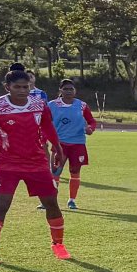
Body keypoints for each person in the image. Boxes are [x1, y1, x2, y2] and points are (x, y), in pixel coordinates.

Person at [0, 67, 68, 265]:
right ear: (7, 87)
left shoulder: (39, 104)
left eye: (25, 87)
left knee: (51, 203)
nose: (22, 90)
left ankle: (58, 245)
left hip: (36, 163)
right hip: (7, 164)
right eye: (17, 87)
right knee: (1, 205)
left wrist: (57, 148)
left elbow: (47, 126)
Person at [48, 79, 97, 210]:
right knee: (55, 172)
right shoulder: (52, 105)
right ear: (60, 90)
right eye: (66, 89)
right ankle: (50, 201)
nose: (68, 91)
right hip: (60, 144)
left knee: (75, 172)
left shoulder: (82, 105)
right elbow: (44, 121)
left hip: (78, 144)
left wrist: (90, 129)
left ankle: (72, 200)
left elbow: (91, 121)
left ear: (75, 91)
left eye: (71, 89)